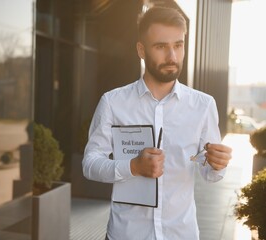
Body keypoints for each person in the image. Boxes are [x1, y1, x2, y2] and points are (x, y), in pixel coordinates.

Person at [82, 6, 232, 240]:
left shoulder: (203, 105)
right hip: (126, 234)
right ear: (141, 50)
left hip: (181, 233)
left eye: (178, 45)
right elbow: (90, 164)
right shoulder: (113, 102)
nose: (172, 56)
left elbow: (209, 173)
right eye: (161, 47)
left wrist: (217, 164)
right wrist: (133, 167)